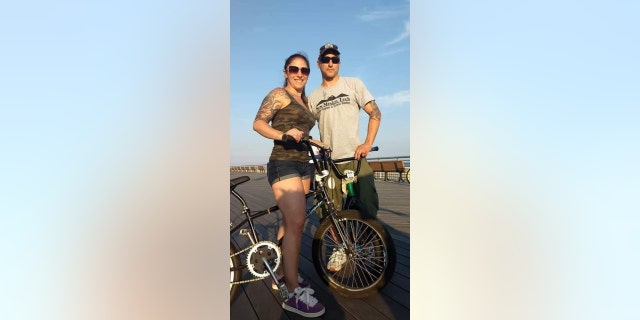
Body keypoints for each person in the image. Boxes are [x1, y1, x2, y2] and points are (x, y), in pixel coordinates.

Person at [253, 52, 325, 318]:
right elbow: (258, 123)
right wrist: (283, 134)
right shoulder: (279, 94)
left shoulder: (303, 101)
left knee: (293, 221)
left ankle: (282, 273)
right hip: (283, 163)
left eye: (304, 70)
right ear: (285, 71)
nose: (299, 74)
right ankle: (293, 292)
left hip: (305, 163)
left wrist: (316, 142)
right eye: (294, 69)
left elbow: (300, 132)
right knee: (295, 223)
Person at [307, 43, 382, 272]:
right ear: (319, 63)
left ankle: (368, 244)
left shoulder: (354, 84)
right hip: (328, 164)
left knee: (368, 203)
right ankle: (340, 248)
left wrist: (367, 143)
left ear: (339, 62)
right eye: (326, 58)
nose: (331, 62)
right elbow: (304, 130)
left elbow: (375, 113)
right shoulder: (313, 97)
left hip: (355, 159)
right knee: (331, 211)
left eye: (335, 58)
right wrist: (315, 143)